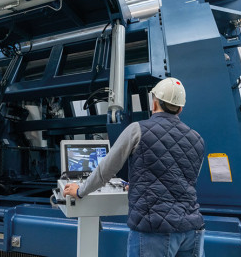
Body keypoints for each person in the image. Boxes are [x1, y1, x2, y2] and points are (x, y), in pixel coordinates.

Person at [63, 78, 205, 257]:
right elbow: (184, 181)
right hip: (193, 229)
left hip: (154, 228)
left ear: (154, 103)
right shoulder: (197, 139)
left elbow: (106, 170)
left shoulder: (137, 129)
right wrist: (139, 184)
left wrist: (80, 191)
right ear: (180, 108)